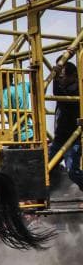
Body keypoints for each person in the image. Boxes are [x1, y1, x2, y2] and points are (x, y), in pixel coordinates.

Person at [49, 58, 83, 190]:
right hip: (60, 138)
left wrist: (55, 78)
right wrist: (56, 76)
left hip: (72, 138)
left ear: (73, 76)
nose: (61, 80)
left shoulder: (77, 91)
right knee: (45, 168)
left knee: (73, 171)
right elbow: (58, 92)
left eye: (63, 77)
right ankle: (41, 197)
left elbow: (59, 93)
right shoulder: (66, 89)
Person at [0, 72, 34, 142]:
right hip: (30, 132)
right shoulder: (24, 86)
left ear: (6, 79)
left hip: (19, 135)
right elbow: (40, 85)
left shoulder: (6, 91)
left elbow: (0, 109)